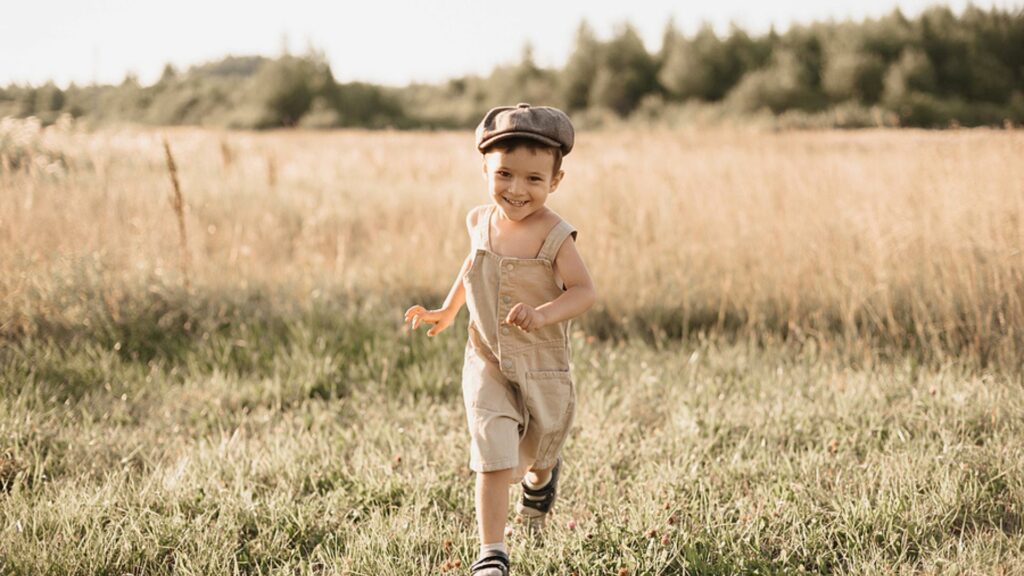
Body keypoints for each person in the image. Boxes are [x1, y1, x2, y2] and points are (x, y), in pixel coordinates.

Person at [404, 103, 596, 576]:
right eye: (504, 174)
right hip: (487, 357)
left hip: (541, 364)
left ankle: (540, 483)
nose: (516, 189)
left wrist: (543, 313)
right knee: (491, 452)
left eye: (533, 179)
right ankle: (492, 553)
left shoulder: (555, 235)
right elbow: (473, 266)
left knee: (540, 451)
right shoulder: (479, 221)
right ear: (485, 169)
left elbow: (585, 292)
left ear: (555, 181)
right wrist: (447, 310)